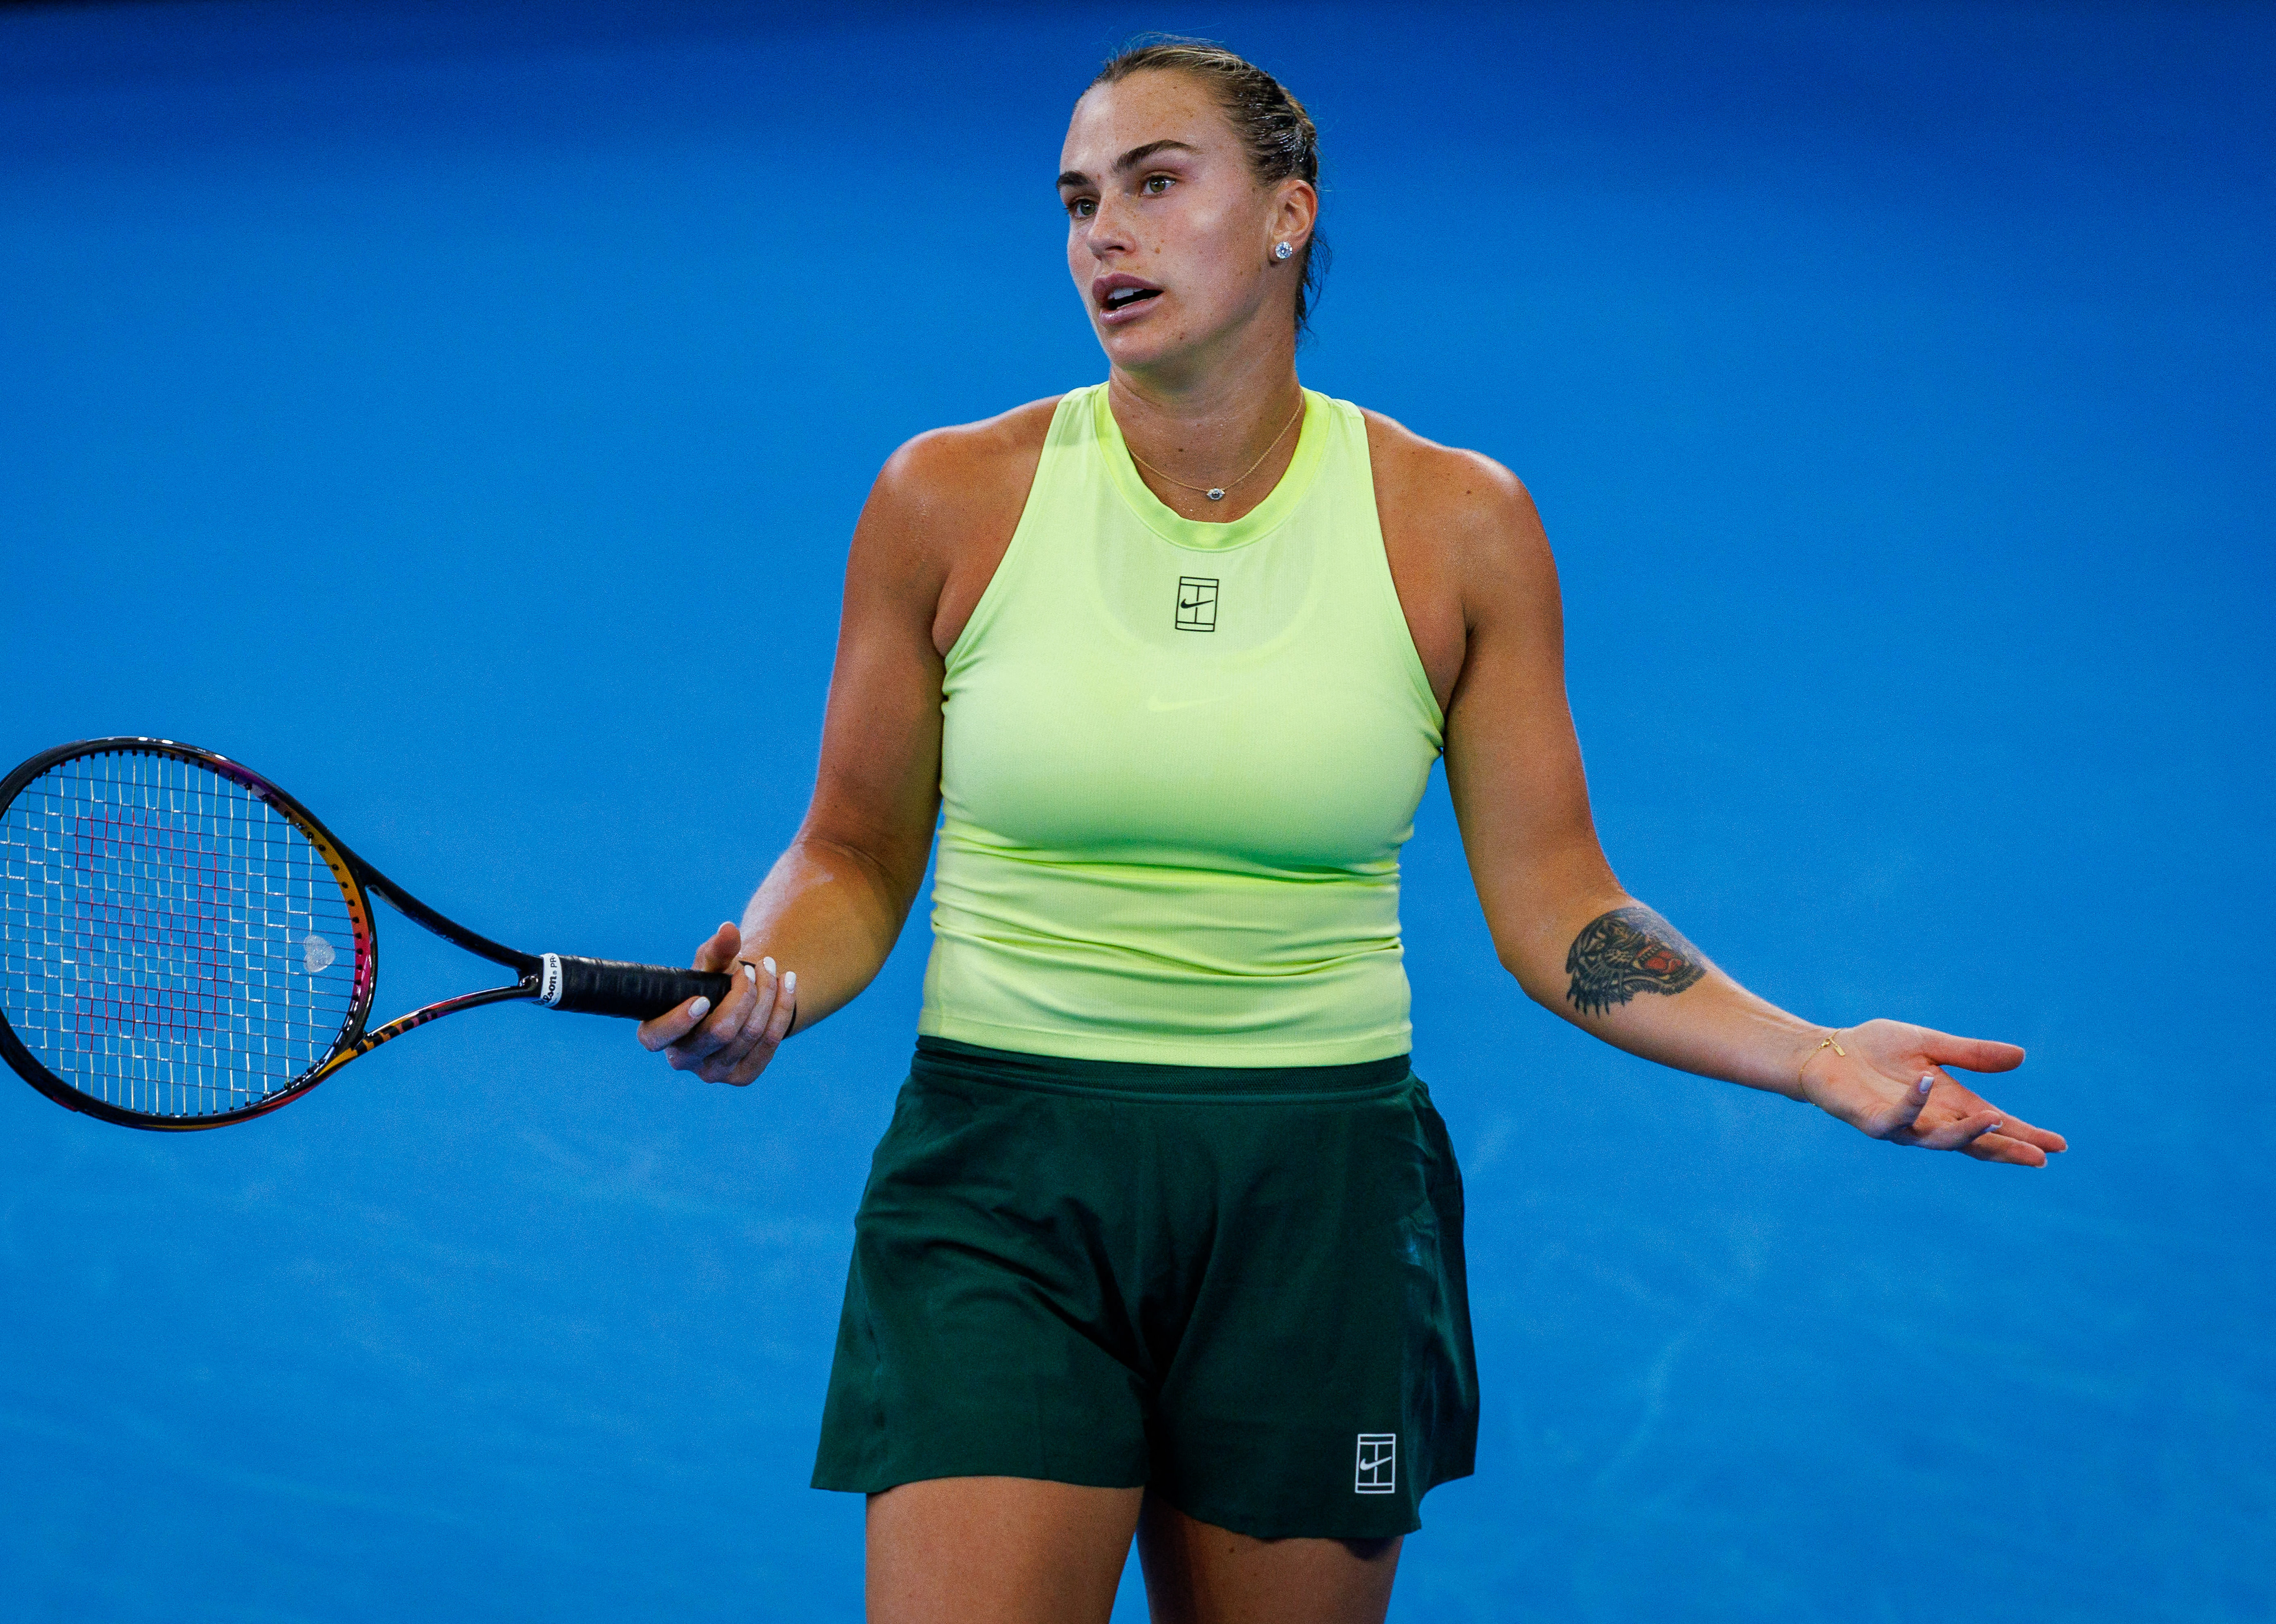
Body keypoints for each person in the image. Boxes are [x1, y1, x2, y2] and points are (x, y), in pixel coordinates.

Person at [630, 37, 2066, 1624]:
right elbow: (851, 855)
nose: (1105, 234)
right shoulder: (946, 500)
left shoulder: (1459, 525)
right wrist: (766, 976)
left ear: (1287, 214)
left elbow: (1561, 909)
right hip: (1003, 1186)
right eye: (1079, 201)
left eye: (1155, 183)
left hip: (1317, 1204)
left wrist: (1809, 1053)